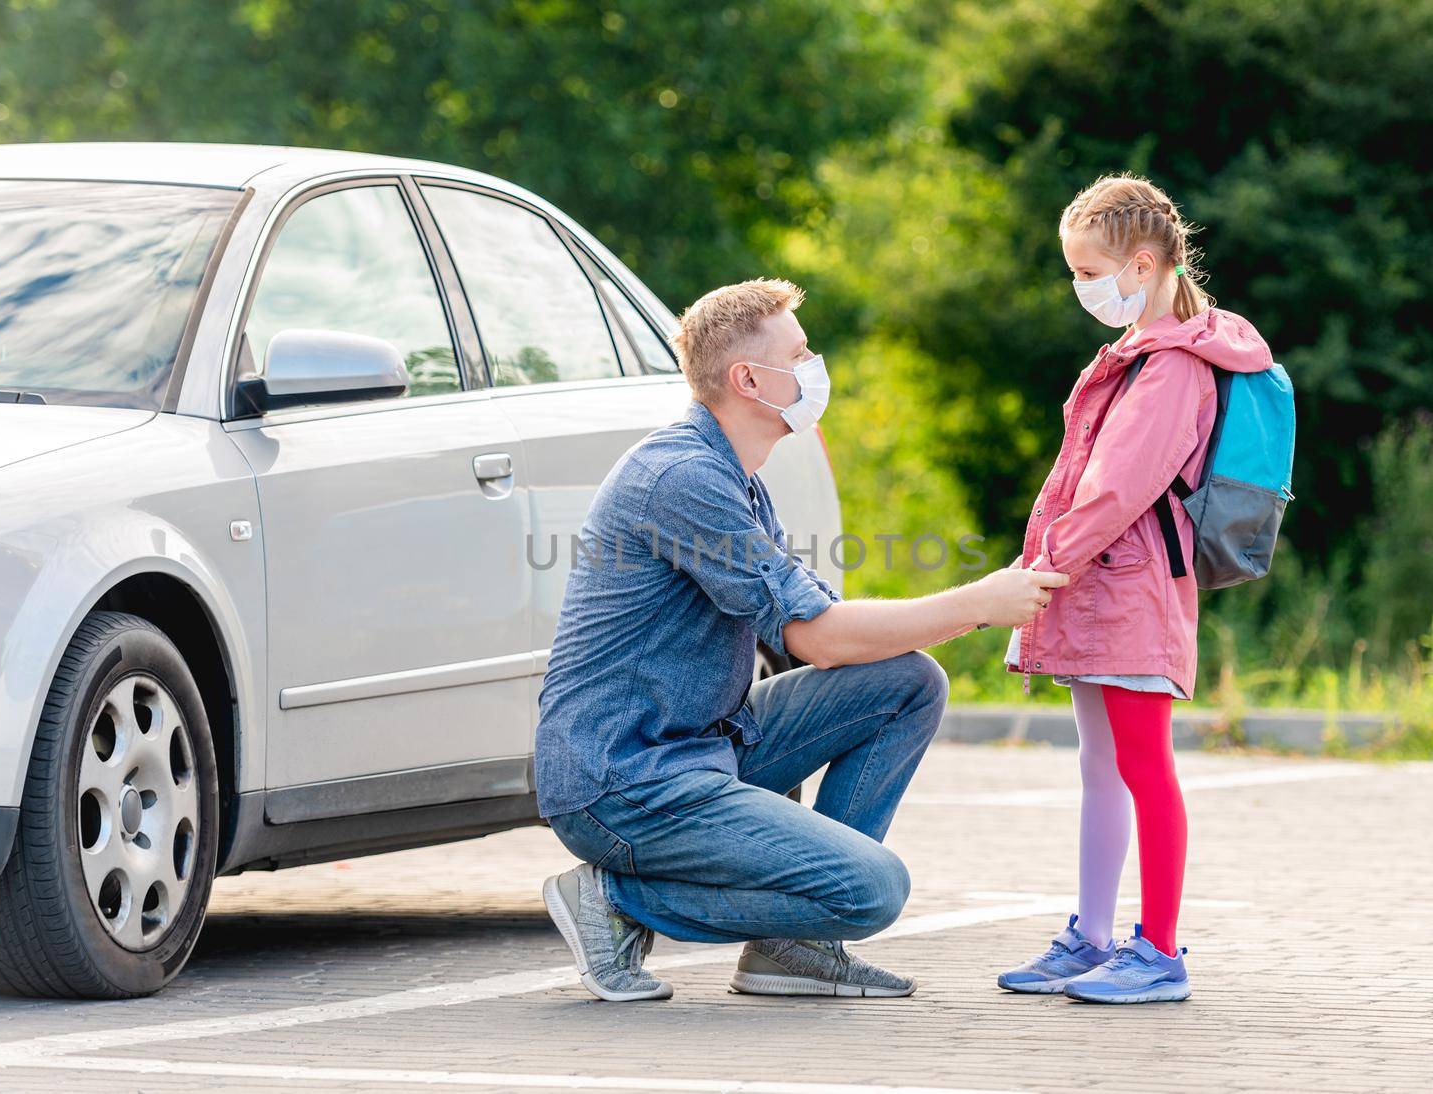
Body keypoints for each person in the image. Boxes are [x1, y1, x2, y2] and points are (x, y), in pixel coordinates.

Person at [536, 277, 1067, 1002]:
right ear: (748, 378)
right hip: (625, 781)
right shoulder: (682, 478)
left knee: (906, 682)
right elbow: (821, 640)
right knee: (870, 890)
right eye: (802, 353)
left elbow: (817, 632)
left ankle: (793, 953)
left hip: (700, 745)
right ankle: (616, 902)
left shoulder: (736, 476)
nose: (817, 367)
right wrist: (979, 602)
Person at [996, 175, 1276, 1004]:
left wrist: (1042, 571)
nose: (1081, 288)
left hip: (1130, 590)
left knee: (1144, 767)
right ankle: (1091, 936)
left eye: (1089, 271)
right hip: (1101, 588)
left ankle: (1157, 952)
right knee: (1100, 766)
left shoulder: (1173, 368)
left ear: (1143, 262)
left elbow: (1119, 490)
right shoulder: (1135, 355)